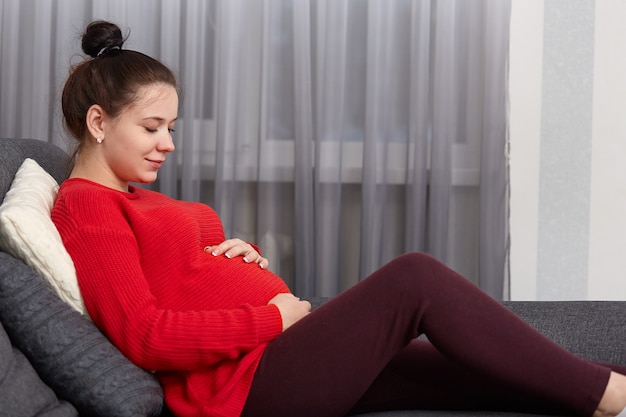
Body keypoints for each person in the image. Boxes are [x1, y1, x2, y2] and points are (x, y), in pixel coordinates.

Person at [51, 20, 626, 417]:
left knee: (473, 368)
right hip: (242, 390)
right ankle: (608, 396)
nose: (168, 144)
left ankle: (612, 386)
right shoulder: (86, 205)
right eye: (152, 128)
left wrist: (231, 253)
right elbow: (146, 336)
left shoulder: (134, 198)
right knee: (415, 280)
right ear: (99, 123)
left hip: (270, 356)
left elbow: (180, 263)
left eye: (171, 129)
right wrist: (270, 319)